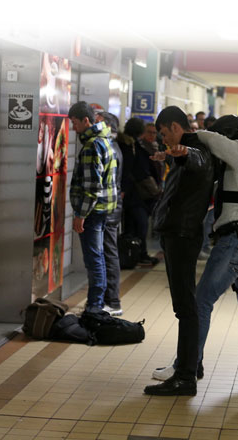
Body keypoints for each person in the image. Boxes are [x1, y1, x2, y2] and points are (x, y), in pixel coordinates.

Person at [152, 115, 238, 381]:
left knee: (200, 302)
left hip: (236, 242)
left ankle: (189, 365)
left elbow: (214, 140)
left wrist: (189, 137)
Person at [143, 106, 216, 396]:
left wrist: (183, 152)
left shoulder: (195, 150)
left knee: (185, 307)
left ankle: (185, 375)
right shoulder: (181, 152)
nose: (163, 140)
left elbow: (199, 162)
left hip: (183, 235)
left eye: (163, 134)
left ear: (175, 127)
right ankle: (187, 367)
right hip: (177, 233)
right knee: (183, 307)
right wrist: (171, 156)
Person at [68, 101, 118, 312]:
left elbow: (92, 187)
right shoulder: (105, 140)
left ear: (86, 120)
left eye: (75, 123)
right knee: (98, 256)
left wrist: (81, 214)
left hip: (93, 211)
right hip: (104, 208)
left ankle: (95, 305)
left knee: (93, 258)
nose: (73, 128)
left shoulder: (91, 146)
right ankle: (98, 302)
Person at [120, 118, 161, 266]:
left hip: (131, 193)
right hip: (135, 194)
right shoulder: (132, 146)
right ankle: (138, 254)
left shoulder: (128, 144)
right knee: (141, 225)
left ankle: (133, 255)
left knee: (133, 225)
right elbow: (139, 171)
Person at [96, 111, 124, 316]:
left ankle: (112, 301)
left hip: (108, 209)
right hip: (112, 208)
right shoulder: (114, 147)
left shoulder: (109, 148)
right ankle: (110, 299)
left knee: (108, 252)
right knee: (108, 252)